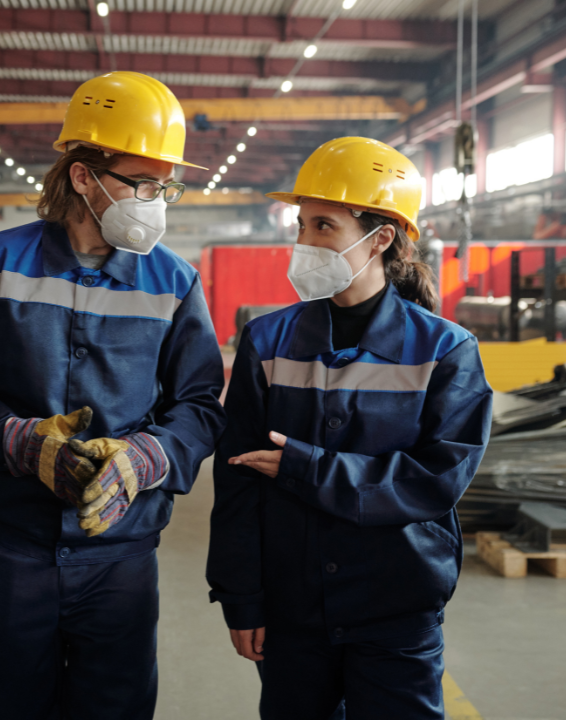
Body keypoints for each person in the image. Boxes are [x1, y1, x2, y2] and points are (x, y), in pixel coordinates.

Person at [0, 71, 225, 719]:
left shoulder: (174, 282)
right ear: (83, 176)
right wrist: (17, 440)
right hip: (14, 545)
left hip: (122, 550)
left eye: (163, 185)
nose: (155, 200)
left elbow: (199, 405)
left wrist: (146, 459)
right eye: (141, 184)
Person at [206, 137, 493, 720]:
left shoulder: (445, 351)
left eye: (323, 226)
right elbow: (236, 482)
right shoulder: (268, 341)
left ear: (380, 237)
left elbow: (434, 481)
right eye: (301, 225)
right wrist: (241, 597)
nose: (303, 243)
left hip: (396, 606)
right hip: (291, 610)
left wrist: (310, 469)